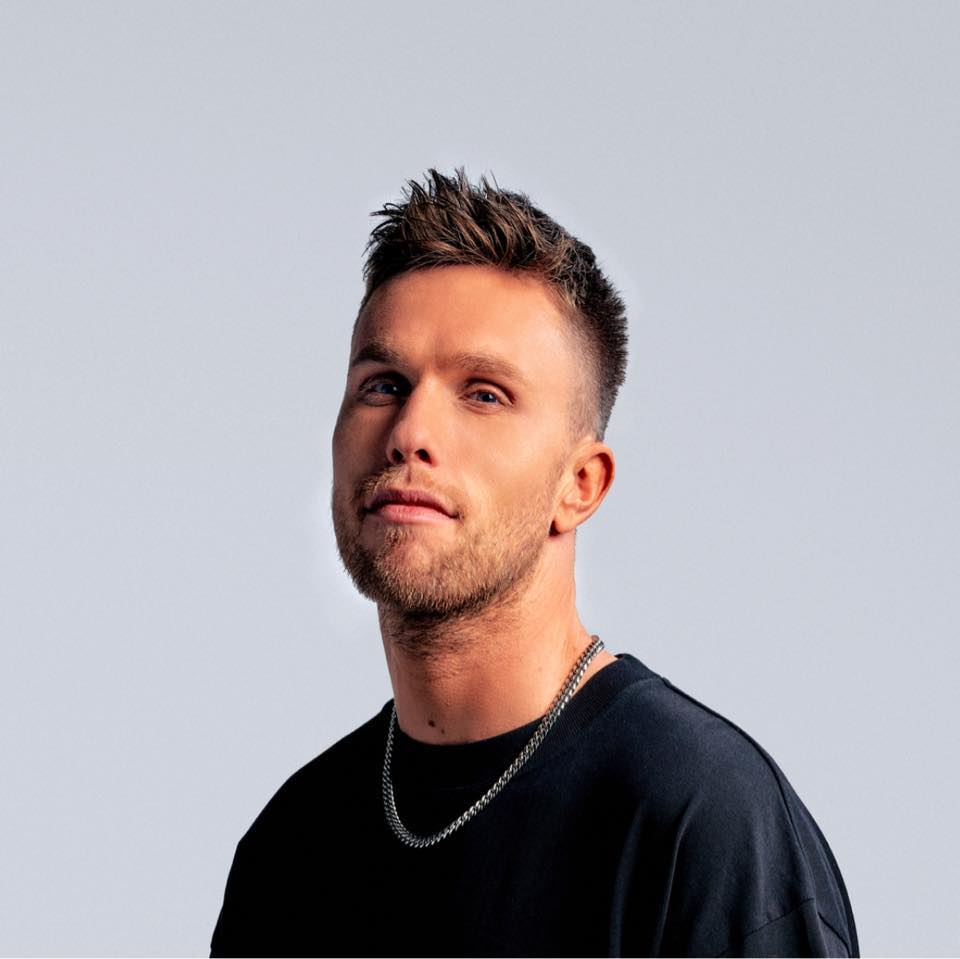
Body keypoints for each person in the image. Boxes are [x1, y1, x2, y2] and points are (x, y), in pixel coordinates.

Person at [210, 170, 858, 957]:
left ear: (580, 485)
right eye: (383, 385)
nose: (410, 431)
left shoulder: (700, 821)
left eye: (483, 394)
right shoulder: (292, 849)